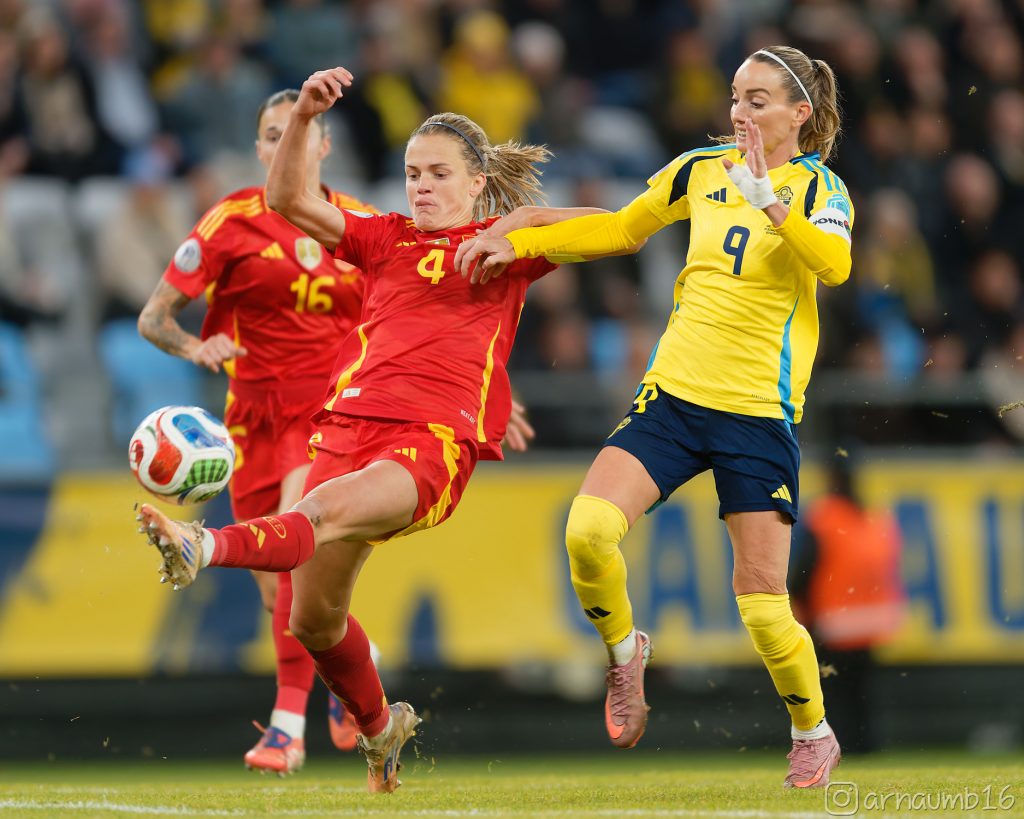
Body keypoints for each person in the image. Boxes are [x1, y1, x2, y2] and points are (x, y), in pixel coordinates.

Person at [134, 66, 621, 794]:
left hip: (429, 444)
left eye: (437, 174)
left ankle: (201, 545)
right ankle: (378, 726)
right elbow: (289, 198)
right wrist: (302, 113)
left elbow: (619, 226)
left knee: (316, 513)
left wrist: (518, 224)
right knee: (312, 620)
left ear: (478, 181)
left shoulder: (502, 250)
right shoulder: (384, 238)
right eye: (411, 172)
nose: (420, 186)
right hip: (344, 428)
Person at [456, 45, 853, 789]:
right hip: (673, 395)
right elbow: (620, 228)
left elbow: (833, 265)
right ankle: (624, 652)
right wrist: (520, 239)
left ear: (800, 113)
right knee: (586, 531)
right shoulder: (700, 169)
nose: (741, 112)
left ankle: (813, 729)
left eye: (760, 100)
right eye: (737, 97)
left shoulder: (819, 189)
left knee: (765, 610)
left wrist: (768, 198)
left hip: (757, 416)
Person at [137, 88, 379, 775]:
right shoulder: (230, 222)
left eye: (298, 133)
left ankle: (284, 729)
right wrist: (194, 348)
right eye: (273, 135)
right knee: (284, 595)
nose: (285, 145)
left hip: (331, 418)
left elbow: (405, 314)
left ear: (323, 144)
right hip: (249, 425)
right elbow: (153, 318)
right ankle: (349, 663)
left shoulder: (357, 223)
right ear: (259, 148)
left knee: (297, 553)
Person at [791, 456, 906, 754]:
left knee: (832, 691)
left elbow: (807, 567)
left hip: (834, 620)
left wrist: (799, 603)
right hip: (871, 620)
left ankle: (836, 746)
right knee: (861, 692)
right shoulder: (873, 515)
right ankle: (866, 745)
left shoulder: (825, 517)